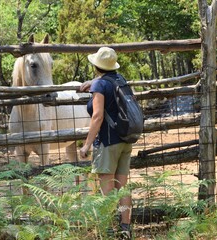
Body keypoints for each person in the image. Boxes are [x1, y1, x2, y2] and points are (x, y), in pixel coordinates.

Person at [79, 47, 133, 239]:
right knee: (123, 187)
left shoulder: (100, 86)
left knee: (107, 189)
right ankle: (125, 228)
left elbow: (98, 116)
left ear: (96, 65)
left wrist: (86, 145)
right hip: (125, 140)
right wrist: (92, 84)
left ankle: (109, 231)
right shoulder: (120, 80)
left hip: (108, 143)